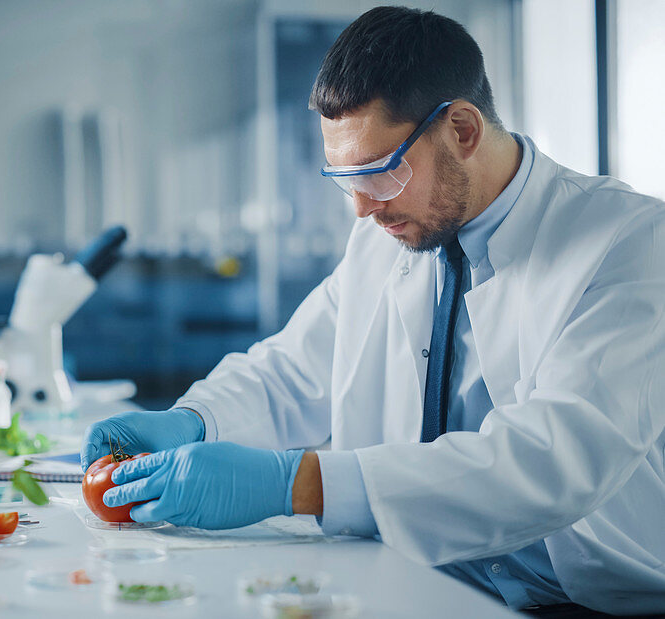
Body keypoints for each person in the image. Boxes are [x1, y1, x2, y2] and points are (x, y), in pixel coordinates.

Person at [79, 6, 665, 616]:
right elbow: (292, 371)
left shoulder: (631, 243)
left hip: (584, 602)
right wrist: (194, 421)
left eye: (379, 173)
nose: (361, 208)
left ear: (462, 130)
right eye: (345, 178)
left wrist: (297, 484)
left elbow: (552, 460)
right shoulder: (390, 234)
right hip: (417, 581)